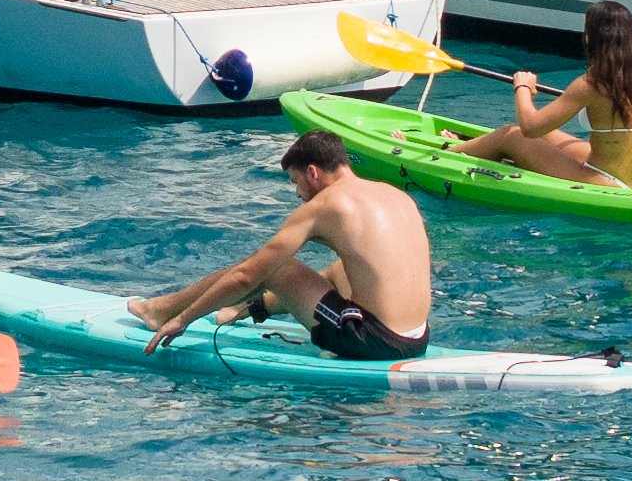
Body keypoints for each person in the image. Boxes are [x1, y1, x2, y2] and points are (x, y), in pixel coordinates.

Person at [130, 126, 433, 364]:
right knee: (339, 270)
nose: (298, 193)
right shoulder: (392, 195)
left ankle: (161, 311)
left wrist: (183, 321)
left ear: (312, 172)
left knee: (275, 267)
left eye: (295, 182)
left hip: (375, 341)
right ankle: (246, 308)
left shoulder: (327, 205)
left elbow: (247, 275)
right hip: (418, 337)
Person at [453, 0, 632, 189]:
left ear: (591, 38)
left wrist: (522, 87)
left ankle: (446, 154)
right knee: (552, 136)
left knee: (511, 135)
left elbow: (530, 127)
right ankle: (460, 140)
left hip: (604, 181)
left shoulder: (591, 84)